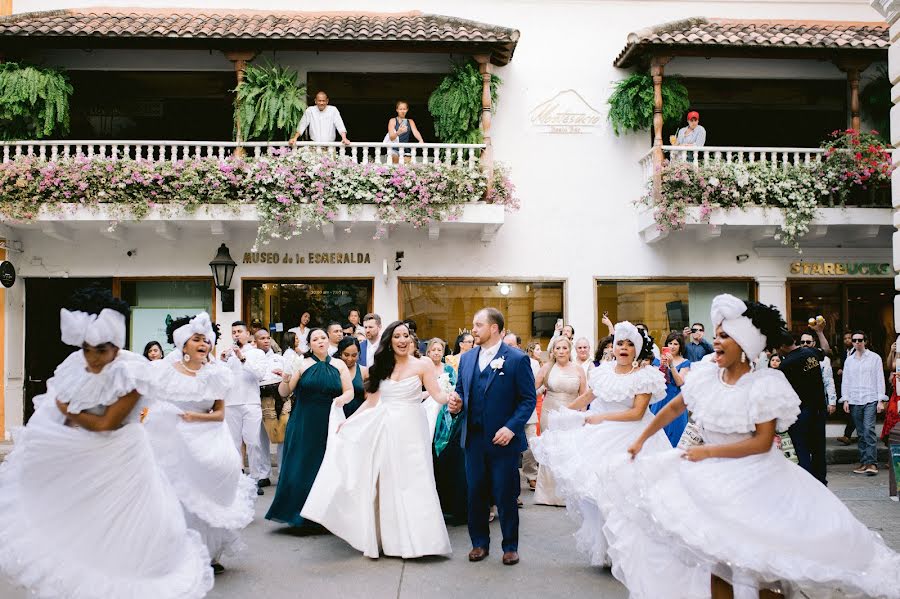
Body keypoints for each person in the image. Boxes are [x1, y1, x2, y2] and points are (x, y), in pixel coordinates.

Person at [613, 294, 900, 599]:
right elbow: (672, 408)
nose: (717, 341)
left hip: (757, 484)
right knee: (718, 559)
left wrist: (707, 451)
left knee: (763, 567)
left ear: (746, 343)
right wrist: (641, 440)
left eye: (725, 336)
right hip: (710, 481)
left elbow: (762, 443)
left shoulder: (765, 384)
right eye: (716, 335)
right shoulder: (706, 376)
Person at [0, 288, 214, 599]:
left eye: (100, 350)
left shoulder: (132, 371)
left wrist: (68, 410)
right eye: (87, 349)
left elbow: (105, 423)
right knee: (78, 530)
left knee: (129, 533)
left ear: (116, 344)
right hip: (83, 457)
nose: (92, 358)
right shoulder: (75, 365)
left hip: (123, 457)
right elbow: (57, 413)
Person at [301, 321, 453, 558]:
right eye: (397, 336)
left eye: (406, 335)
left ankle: (424, 542)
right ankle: (391, 540)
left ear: (411, 340)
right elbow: (371, 402)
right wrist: (349, 422)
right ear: (389, 341)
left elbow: (438, 395)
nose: (402, 340)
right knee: (389, 480)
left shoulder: (423, 364)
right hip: (387, 427)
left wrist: (454, 398)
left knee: (416, 479)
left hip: (414, 428)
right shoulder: (380, 366)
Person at [533, 322, 668, 567]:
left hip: (633, 438)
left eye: (630, 344)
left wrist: (601, 417)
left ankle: (631, 551)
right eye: (620, 343)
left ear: (637, 350)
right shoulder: (603, 371)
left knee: (629, 496)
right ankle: (608, 549)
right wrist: (565, 411)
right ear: (613, 347)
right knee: (601, 496)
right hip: (602, 437)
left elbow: (637, 413)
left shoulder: (645, 377)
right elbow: (587, 396)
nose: (624, 348)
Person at [142, 312, 256, 574]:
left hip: (209, 440)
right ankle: (179, 553)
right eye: (196, 340)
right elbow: (151, 404)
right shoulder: (164, 372)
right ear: (184, 345)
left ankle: (209, 554)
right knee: (179, 499)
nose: (203, 344)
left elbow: (219, 414)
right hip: (175, 443)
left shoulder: (217, 374)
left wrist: (194, 417)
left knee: (211, 499)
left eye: (206, 340)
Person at [448, 308, 537, 566]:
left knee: (505, 493)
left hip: (503, 441)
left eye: (478, 325)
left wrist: (511, 428)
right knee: (475, 492)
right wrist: (456, 404)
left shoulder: (517, 359)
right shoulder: (466, 359)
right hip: (473, 439)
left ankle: (510, 546)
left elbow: (527, 400)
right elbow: (461, 392)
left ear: (494, 328)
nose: (473, 329)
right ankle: (479, 543)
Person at [266, 328, 353, 528]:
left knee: (327, 465)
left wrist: (341, 399)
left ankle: (326, 515)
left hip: (330, 420)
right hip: (304, 422)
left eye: (323, 337)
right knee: (303, 465)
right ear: (310, 344)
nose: (320, 341)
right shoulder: (302, 364)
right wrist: (287, 376)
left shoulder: (339, 364)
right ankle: (300, 514)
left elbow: (349, 391)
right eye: (315, 339)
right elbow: (283, 392)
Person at [533, 336, 587, 506]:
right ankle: (547, 495)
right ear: (553, 351)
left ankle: (567, 494)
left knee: (569, 451)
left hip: (570, 415)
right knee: (551, 450)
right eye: (558, 348)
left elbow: (584, 395)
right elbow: (531, 388)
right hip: (550, 414)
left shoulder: (578, 370)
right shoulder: (547, 368)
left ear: (569, 350)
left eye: (564, 348)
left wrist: (582, 416)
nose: (561, 351)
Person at [221, 320, 272, 495]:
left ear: (247, 334)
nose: (236, 334)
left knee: (253, 442)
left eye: (239, 331)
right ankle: (238, 478)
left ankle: (256, 478)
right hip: (231, 402)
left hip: (251, 402)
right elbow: (221, 379)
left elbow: (259, 374)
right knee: (234, 443)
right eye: (233, 332)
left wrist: (242, 358)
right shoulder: (228, 354)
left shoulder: (257, 353)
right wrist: (222, 362)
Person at [778, 323, 830, 486]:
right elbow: (827, 351)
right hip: (819, 411)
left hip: (800, 413)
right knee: (818, 449)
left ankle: (808, 485)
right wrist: (820, 333)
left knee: (802, 450)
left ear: (781, 346)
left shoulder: (786, 365)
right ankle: (821, 482)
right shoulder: (810, 352)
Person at [422, 338, 467, 525]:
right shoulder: (423, 368)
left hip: (445, 408)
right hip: (428, 407)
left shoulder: (449, 369)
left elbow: (455, 388)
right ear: (428, 352)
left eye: (440, 350)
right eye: (433, 350)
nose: (436, 353)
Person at [841, 330, 887, 476]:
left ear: (865, 341)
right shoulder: (849, 360)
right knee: (861, 433)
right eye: (854, 340)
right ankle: (864, 462)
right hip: (855, 399)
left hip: (870, 398)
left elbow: (880, 379)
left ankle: (872, 463)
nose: (857, 343)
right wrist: (846, 399)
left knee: (868, 430)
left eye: (860, 340)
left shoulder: (875, 358)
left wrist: (880, 400)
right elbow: (846, 381)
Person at [650, 331, 691, 447]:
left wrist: (671, 365)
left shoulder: (685, 362)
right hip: (659, 400)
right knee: (656, 434)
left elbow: (680, 382)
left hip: (675, 400)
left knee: (675, 434)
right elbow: (653, 381)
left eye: (675, 344)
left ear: (680, 346)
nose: (672, 346)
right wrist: (662, 366)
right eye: (670, 343)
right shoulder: (657, 360)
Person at [255, 329, 286, 471]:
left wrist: (283, 374)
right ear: (255, 341)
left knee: (280, 434)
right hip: (258, 395)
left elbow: (288, 377)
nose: (266, 340)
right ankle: (264, 472)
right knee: (261, 437)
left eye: (268, 338)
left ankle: (281, 470)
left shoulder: (280, 359)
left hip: (277, 396)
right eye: (262, 338)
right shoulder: (251, 358)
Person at [335, 336, 367, 418]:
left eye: (354, 355)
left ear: (359, 354)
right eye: (346, 355)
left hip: (358, 417)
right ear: (340, 353)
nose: (349, 359)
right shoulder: (333, 370)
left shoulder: (364, 371)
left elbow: (369, 398)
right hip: (337, 416)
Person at [835, 331, 857, 445]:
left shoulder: (858, 352)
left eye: (849, 338)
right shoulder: (844, 353)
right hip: (847, 385)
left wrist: (845, 371)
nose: (847, 340)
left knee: (854, 411)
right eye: (845, 338)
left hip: (856, 385)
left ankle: (847, 435)